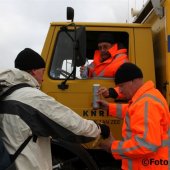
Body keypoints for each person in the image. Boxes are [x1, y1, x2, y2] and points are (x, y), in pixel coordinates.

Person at [0, 48, 110, 170]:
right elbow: (74, 126)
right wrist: (98, 128)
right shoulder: (31, 97)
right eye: (43, 71)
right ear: (33, 71)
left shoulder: (7, 94)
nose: (43, 78)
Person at [98, 62, 170, 170]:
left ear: (133, 81)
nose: (120, 91)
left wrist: (112, 147)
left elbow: (145, 144)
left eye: (121, 86)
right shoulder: (148, 96)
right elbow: (133, 111)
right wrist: (109, 108)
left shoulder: (146, 103)